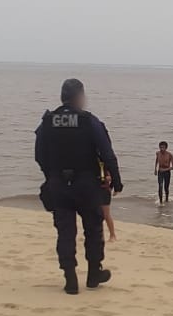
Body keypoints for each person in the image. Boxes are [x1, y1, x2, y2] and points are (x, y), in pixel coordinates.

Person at [35, 79, 123, 295]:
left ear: (62, 97)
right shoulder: (88, 121)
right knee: (93, 229)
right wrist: (117, 180)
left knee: (65, 230)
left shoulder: (47, 122)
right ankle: (94, 274)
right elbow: (106, 151)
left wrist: (51, 176)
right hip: (87, 183)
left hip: (58, 183)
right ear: (80, 97)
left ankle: (70, 278)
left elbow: (39, 155)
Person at [99, 163, 117, 242]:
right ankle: (101, 236)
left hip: (104, 190)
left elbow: (112, 176)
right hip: (94, 190)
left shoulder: (106, 163)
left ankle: (112, 235)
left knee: (106, 214)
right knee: (97, 214)